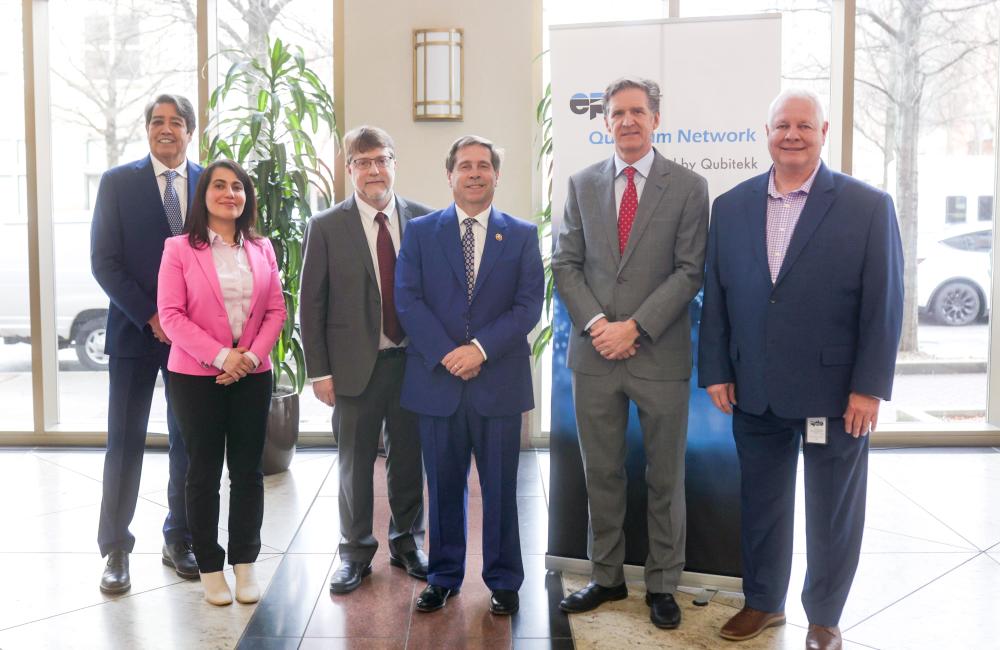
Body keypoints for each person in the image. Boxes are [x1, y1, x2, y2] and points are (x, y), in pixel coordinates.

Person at [698, 89, 903, 650]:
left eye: (804, 126)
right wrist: (716, 369)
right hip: (754, 389)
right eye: (782, 125)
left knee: (832, 512)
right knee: (762, 505)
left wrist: (868, 388)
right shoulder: (732, 206)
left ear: (824, 131)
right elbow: (717, 297)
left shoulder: (867, 205)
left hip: (835, 395)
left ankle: (824, 616)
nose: (792, 134)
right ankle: (763, 602)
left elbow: (884, 305)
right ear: (766, 133)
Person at [551, 77, 709, 630]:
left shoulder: (688, 187)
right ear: (605, 122)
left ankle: (663, 585)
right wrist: (599, 325)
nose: (627, 121)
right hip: (595, 356)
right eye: (617, 113)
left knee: (665, 477)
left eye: (637, 112)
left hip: (658, 355)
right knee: (602, 473)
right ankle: (607, 576)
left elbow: (690, 270)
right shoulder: (581, 183)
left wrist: (635, 327)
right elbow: (565, 263)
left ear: (656, 118)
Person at [395, 135, 543, 616]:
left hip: (497, 382)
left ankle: (503, 580)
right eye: (465, 165)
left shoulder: (521, 234)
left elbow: (527, 307)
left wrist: (478, 349)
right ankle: (443, 576)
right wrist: (447, 354)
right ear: (450, 175)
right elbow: (408, 301)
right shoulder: (420, 233)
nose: (475, 172)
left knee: (501, 489)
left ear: (497, 175)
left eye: (484, 165)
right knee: (441, 486)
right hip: (438, 383)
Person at [300, 126, 432, 594]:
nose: (374, 169)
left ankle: (407, 543)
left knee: (409, 458)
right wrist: (320, 371)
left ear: (394, 163)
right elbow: (310, 304)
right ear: (349, 168)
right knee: (354, 463)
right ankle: (355, 552)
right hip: (355, 366)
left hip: (413, 362)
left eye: (382, 159)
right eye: (362, 161)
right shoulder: (326, 226)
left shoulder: (424, 220)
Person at [157, 159, 287, 606]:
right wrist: (220, 356)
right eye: (219, 185)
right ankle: (211, 567)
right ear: (204, 195)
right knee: (203, 471)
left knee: (248, 472)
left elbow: (276, 311)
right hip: (195, 377)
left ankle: (245, 563)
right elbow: (171, 316)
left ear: (246, 197)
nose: (229, 193)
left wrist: (248, 357)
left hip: (252, 374)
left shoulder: (262, 247)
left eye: (237, 186)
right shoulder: (178, 248)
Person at [91, 93, 203, 593]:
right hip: (135, 334)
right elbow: (104, 261)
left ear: (189, 130)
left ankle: (178, 538)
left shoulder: (208, 183)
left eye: (175, 122)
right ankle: (115, 548)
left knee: (188, 442)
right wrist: (152, 315)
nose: (165, 128)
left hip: (194, 341)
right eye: (157, 121)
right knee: (125, 442)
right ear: (147, 130)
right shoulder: (118, 183)